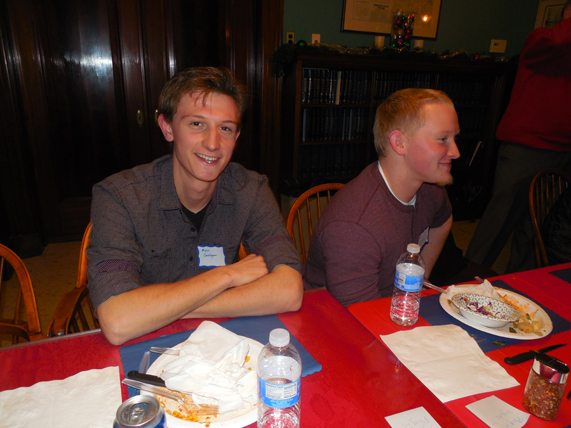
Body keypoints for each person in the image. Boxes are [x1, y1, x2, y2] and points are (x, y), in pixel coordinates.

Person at [87, 67, 303, 345]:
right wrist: (226, 275)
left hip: (222, 344)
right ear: (168, 127)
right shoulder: (119, 197)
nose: (213, 143)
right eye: (197, 124)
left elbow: (290, 290)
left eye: (225, 128)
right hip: (148, 347)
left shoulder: (251, 189)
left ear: (236, 137)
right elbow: (118, 321)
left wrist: (166, 308)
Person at [303, 88, 460, 305]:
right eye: (443, 139)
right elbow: (360, 317)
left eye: (454, 138)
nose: (456, 152)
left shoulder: (431, 189)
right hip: (332, 316)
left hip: (388, 307)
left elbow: (443, 220)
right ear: (399, 143)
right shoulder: (353, 228)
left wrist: (418, 282)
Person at [465, 2, 571, 273]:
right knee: (499, 220)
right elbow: (557, 39)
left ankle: (523, 282)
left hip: (564, 150)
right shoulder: (540, 39)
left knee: (537, 228)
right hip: (526, 147)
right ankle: (467, 278)